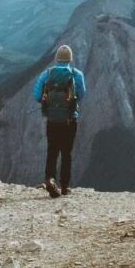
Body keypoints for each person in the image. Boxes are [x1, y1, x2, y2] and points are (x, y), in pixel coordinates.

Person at [32, 44, 86, 198]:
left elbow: (36, 96)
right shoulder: (77, 74)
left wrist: (50, 102)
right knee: (66, 153)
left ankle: (50, 179)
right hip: (70, 120)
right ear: (70, 59)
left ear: (56, 58)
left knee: (52, 151)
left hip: (52, 120)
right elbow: (81, 95)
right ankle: (64, 187)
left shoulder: (46, 74)